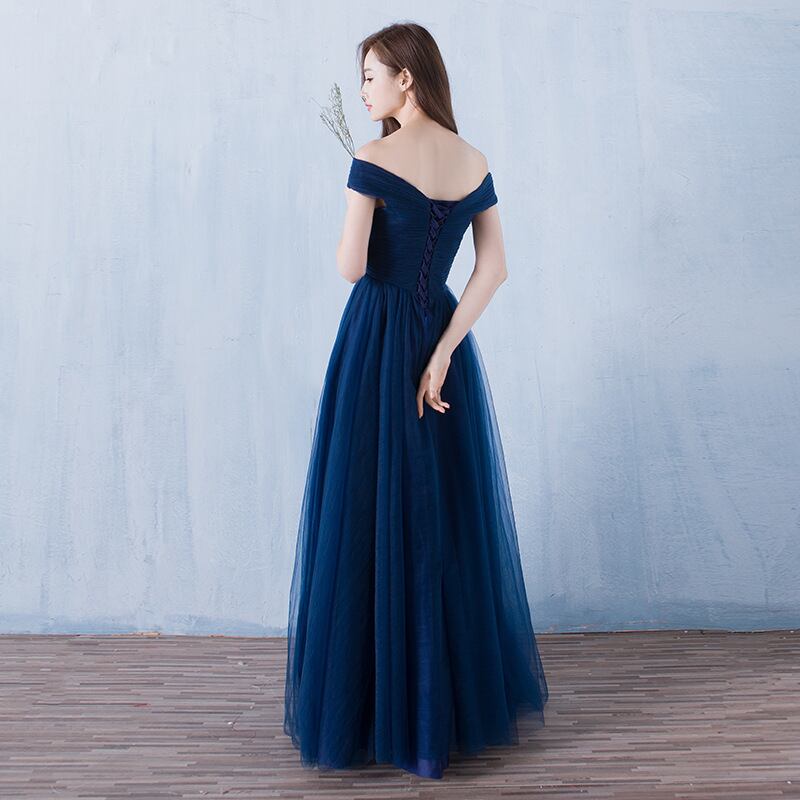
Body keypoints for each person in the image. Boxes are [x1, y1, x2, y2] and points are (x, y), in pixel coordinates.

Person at [284, 21, 549, 780]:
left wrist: (360, 196)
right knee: (440, 518)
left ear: (407, 78)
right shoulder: (473, 159)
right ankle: (441, 717)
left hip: (375, 341)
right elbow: (493, 269)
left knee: (365, 506)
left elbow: (350, 268)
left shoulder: (372, 160)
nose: (364, 89)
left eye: (371, 75)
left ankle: (369, 711)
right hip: (438, 340)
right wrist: (443, 352)